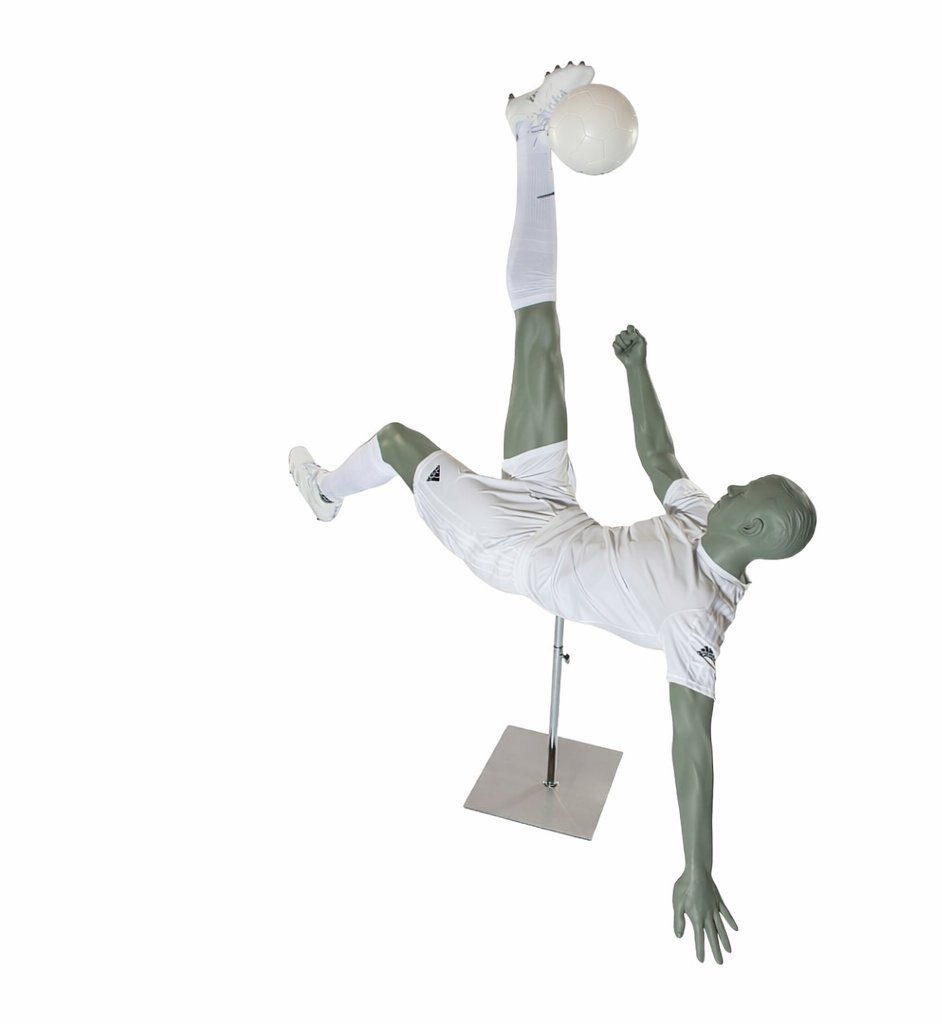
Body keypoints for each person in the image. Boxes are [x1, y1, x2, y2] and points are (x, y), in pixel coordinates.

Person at [288, 63, 816, 964]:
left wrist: (698, 868)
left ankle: (327, 495)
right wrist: (638, 368)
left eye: (747, 495)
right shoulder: (705, 517)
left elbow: (693, 748)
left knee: (398, 437)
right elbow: (660, 458)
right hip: (554, 510)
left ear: (758, 534)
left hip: (512, 551)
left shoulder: (699, 620)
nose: (730, 488)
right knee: (541, 332)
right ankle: (528, 134)